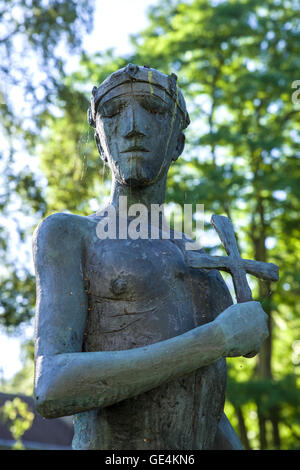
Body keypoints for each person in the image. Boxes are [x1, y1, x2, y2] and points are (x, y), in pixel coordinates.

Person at [33, 64, 268, 450]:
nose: (132, 127)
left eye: (153, 109)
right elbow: (53, 386)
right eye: (113, 113)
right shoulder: (70, 233)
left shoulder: (202, 262)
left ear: (178, 142)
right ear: (99, 142)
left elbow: (204, 403)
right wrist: (217, 338)